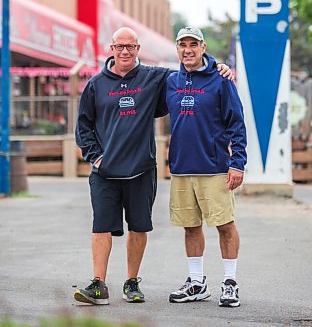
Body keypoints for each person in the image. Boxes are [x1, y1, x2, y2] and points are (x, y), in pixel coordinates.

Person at [74, 26, 233, 306]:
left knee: (138, 227)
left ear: (138, 50)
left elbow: (192, 67)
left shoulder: (155, 77)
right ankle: (98, 284)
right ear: (111, 49)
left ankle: (132, 283)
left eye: (131, 47)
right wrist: (95, 157)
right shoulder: (96, 84)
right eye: (119, 46)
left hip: (141, 169)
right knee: (101, 226)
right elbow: (83, 125)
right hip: (105, 172)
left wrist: (218, 65)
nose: (125, 51)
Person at [166, 27, 247, 308]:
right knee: (190, 227)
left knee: (225, 225)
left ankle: (230, 283)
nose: (187, 49)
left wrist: (238, 163)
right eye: (182, 44)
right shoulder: (171, 81)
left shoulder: (221, 80)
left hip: (215, 168)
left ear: (203, 47)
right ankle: (197, 283)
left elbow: (237, 123)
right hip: (181, 168)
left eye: (193, 44)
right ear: (177, 49)